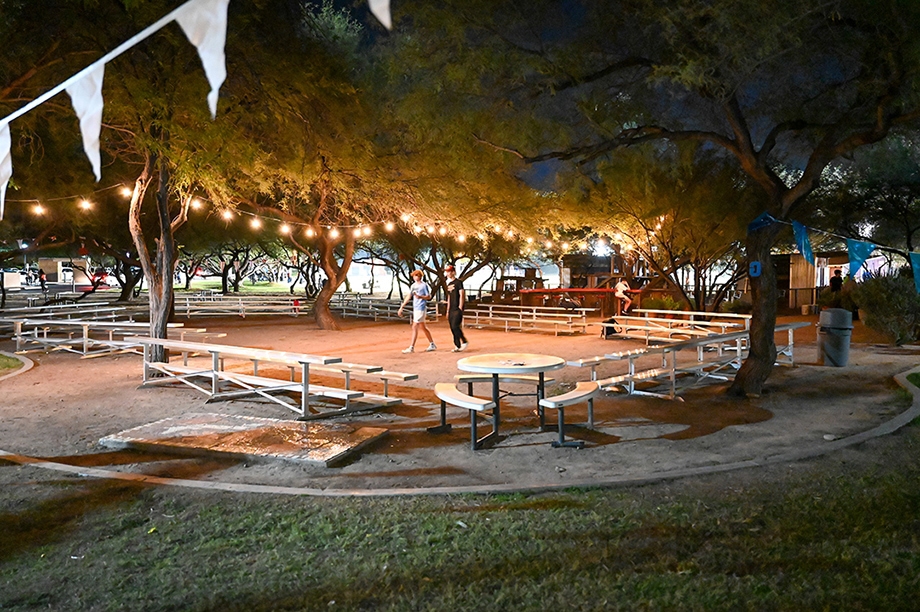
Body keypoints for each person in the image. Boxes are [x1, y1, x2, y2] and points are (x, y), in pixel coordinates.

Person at [397, 270, 436, 353]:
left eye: (418, 275)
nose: (417, 277)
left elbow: (429, 296)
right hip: (416, 308)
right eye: (415, 275)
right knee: (423, 327)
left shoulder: (424, 285)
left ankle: (411, 347)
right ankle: (432, 344)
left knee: (414, 326)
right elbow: (409, 296)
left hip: (421, 308)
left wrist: (420, 297)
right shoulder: (413, 286)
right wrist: (402, 306)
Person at [444, 264, 468, 352]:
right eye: (447, 272)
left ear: (453, 272)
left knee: (455, 326)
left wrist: (460, 307)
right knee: (452, 327)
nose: (448, 273)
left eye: (449, 271)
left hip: (457, 308)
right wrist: (447, 310)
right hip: (451, 309)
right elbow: (449, 297)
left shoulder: (459, 282)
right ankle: (457, 345)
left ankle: (464, 341)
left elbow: (462, 294)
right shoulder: (449, 284)